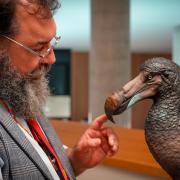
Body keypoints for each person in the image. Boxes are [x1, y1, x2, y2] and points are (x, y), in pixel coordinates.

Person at [0, 0, 119, 179]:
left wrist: (74, 160)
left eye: (51, 44)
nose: (52, 58)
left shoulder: (19, 93)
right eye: (39, 48)